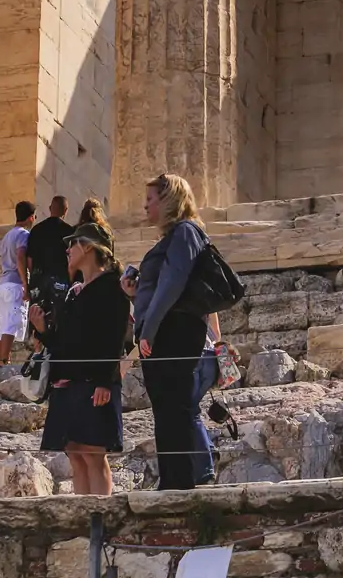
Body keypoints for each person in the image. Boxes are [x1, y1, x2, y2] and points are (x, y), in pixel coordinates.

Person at [132, 172, 217, 491]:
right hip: (167, 327)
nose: (145, 206)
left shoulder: (186, 232)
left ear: (168, 200)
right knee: (165, 404)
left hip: (175, 328)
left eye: (151, 199)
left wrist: (149, 331)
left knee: (175, 404)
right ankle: (172, 478)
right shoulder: (175, 237)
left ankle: (179, 480)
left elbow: (172, 284)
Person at [36, 221, 131, 495]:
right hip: (70, 382)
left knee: (93, 454)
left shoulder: (112, 288)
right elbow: (65, 343)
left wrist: (104, 381)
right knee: (75, 453)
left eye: (73, 243)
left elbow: (114, 337)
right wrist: (43, 331)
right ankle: (83, 517)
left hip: (94, 382)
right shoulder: (76, 292)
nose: (67, 250)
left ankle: (100, 519)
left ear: (88, 247)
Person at [0, 202, 34, 365]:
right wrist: (26, 283)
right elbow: (20, 256)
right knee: (11, 324)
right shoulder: (23, 234)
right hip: (14, 283)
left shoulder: (7, 236)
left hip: (2, 284)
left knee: (3, 324)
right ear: (31, 217)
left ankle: (0, 362)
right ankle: (5, 362)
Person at [25, 195, 75, 306]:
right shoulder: (69, 231)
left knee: (37, 315)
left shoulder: (36, 230)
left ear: (49, 208)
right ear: (65, 211)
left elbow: (29, 259)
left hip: (39, 282)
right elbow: (73, 260)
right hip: (61, 282)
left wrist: (34, 277)